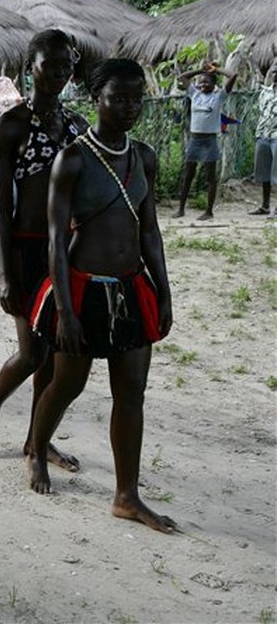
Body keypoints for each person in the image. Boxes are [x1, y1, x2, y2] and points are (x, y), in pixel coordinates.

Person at [27, 59, 176, 534]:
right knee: (67, 384)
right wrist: (67, 313)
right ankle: (36, 447)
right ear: (98, 99)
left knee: (131, 394)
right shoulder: (72, 159)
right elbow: (54, 240)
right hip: (83, 289)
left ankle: (126, 496)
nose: (130, 107)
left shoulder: (144, 157)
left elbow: (149, 230)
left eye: (137, 98)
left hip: (132, 289)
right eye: (119, 98)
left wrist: (164, 292)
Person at [0, 29, 88, 469]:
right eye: (50, 66)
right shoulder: (11, 125)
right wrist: (5, 271)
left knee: (59, 353)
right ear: (31, 68)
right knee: (32, 351)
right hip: (24, 249)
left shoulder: (77, 126)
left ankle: (37, 440)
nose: (59, 74)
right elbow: (2, 205)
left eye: (66, 67)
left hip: (66, 250)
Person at [173, 63, 238, 220]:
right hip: (195, 139)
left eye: (207, 81)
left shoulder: (219, 96)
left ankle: (209, 211)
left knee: (210, 177)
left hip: (210, 140)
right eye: (200, 82)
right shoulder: (194, 94)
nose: (203, 84)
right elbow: (182, 77)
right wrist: (201, 70)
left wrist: (215, 70)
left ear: (214, 84)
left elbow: (233, 75)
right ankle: (181, 209)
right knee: (188, 174)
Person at [249, 62, 277, 215]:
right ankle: (265, 205)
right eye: (274, 71)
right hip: (263, 134)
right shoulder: (265, 92)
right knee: (264, 172)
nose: (275, 74)